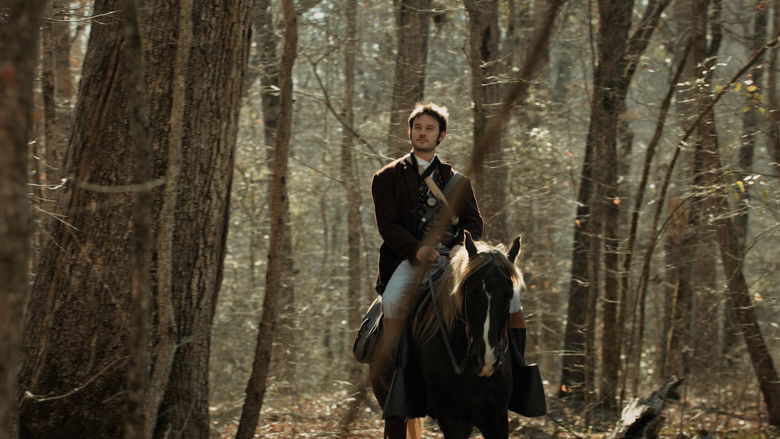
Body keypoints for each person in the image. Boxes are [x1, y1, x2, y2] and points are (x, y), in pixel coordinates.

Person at [370, 103, 527, 405]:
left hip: (456, 259)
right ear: (409, 132)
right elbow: (388, 226)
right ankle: (400, 380)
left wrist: (460, 248)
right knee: (391, 301)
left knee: (514, 299)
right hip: (410, 259)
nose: (423, 133)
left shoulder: (458, 181)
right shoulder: (386, 177)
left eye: (430, 128)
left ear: (441, 135)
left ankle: (518, 377)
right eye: (418, 127)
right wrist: (418, 249)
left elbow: (474, 222)